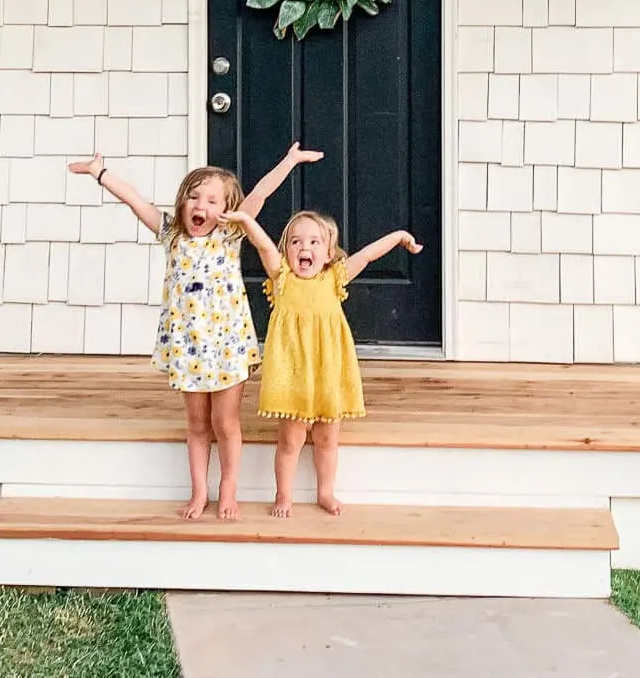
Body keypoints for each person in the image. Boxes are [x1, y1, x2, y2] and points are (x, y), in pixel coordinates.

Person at [69, 143, 320, 520]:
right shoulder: (172, 235)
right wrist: (99, 173)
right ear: (182, 203)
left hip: (228, 347)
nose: (200, 205)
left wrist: (289, 160)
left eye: (212, 200)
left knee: (226, 422)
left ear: (226, 210)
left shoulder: (230, 235)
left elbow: (261, 194)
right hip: (187, 349)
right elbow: (135, 200)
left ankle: (228, 489)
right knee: (198, 425)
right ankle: (199, 491)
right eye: (193, 196)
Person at [229, 208, 421, 516]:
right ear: (286, 251)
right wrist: (246, 222)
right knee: (291, 439)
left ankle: (325, 491)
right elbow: (264, 245)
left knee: (327, 437)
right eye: (295, 242)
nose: (304, 248)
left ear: (329, 253)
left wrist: (398, 237)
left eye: (314, 242)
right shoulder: (282, 278)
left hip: (328, 371)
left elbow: (369, 255)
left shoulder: (335, 277)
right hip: (292, 374)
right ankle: (283, 494)